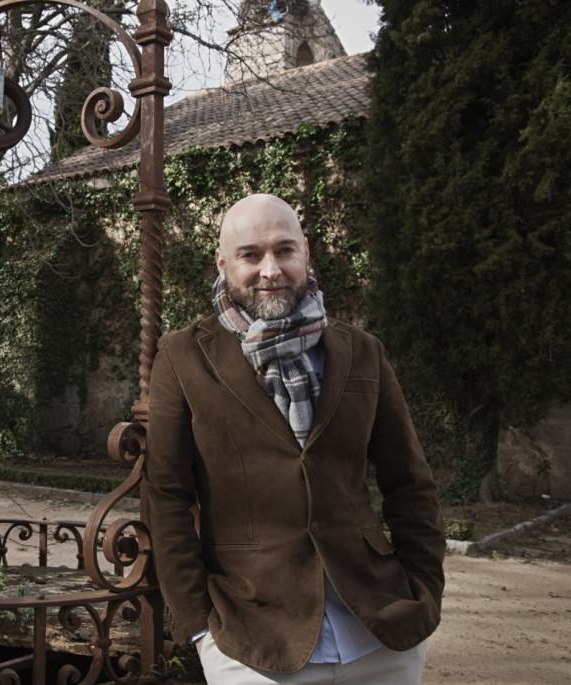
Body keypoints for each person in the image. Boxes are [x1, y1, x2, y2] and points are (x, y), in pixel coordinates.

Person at [142, 194, 445, 684]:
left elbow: (410, 482)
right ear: (221, 263)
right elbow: (167, 496)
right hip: (253, 638)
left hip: (380, 631)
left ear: (306, 253)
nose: (270, 269)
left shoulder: (362, 352)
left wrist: (425, 588)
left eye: (285, 250)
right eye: (251, 254)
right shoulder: (182, 357)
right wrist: (198, 626)